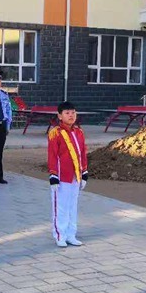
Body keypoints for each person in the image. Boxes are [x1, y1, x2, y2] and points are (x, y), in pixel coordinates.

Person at [48, 102, 89, 247]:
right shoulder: (55, 133)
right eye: (67, 113)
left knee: (72, 206)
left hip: (75, 176)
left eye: (73, 112)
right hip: (62, 176)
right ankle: (60, 235)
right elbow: (52, 155)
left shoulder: (79, 132)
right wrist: (53, 175)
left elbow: (82, 153)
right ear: (60, 116)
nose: (71, 115)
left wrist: (84, 172)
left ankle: (71, 234)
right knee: (61, 207)